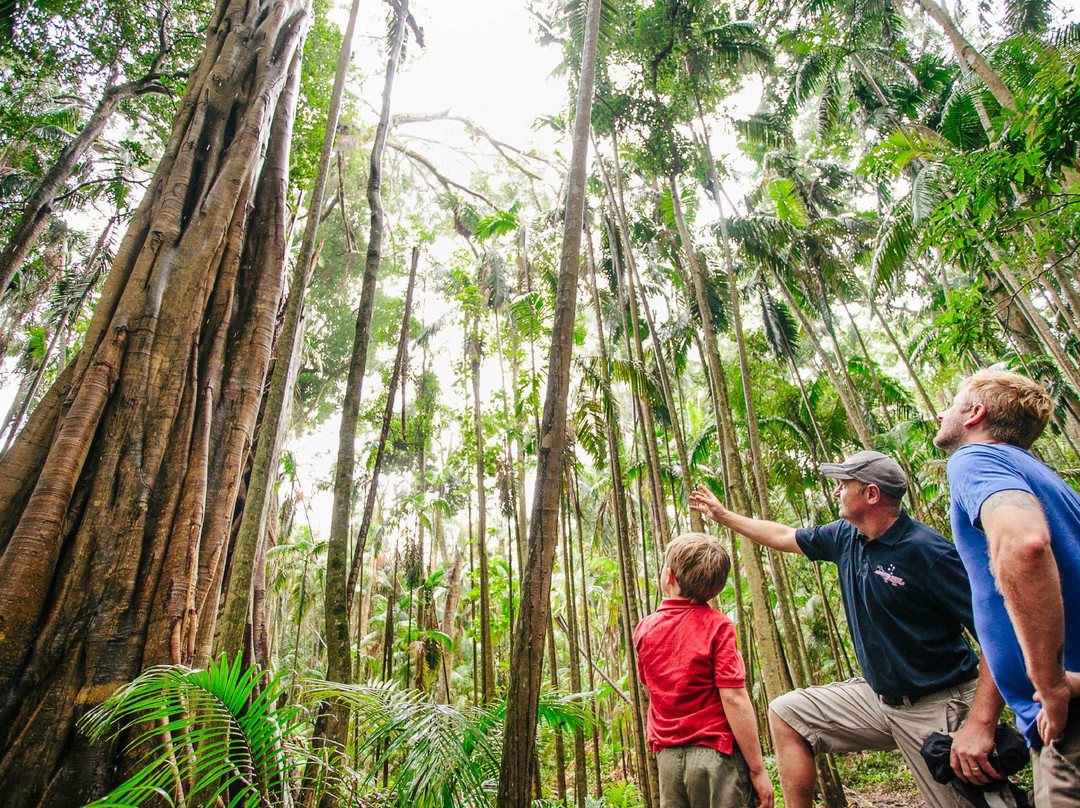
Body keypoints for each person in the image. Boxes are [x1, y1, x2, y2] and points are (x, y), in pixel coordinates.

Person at [690, 451, 1004, 808]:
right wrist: (723, 515)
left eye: (844, 483)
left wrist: (980, 723)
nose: (837, 490)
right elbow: (783, 535)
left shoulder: (927, 551)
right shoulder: (845, 536)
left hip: (938, 704)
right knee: (788, 713)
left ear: (872, 494)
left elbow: (998, 637)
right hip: (878, 699)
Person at [935, 369, 1080, 805]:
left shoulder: (973, 459)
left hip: (1066, 722)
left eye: (953, 403)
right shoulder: (1054, 484)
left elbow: (1024, 544)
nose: (943, 414)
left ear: (974, 413)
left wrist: (1050, 683)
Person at [634, 532, 774, 808]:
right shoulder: (718, 626)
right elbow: (733, 698)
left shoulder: (644, 629)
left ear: (669, 577)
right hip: (716, 757)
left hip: (668, 759)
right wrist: (758, 769)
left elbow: (650, 687)